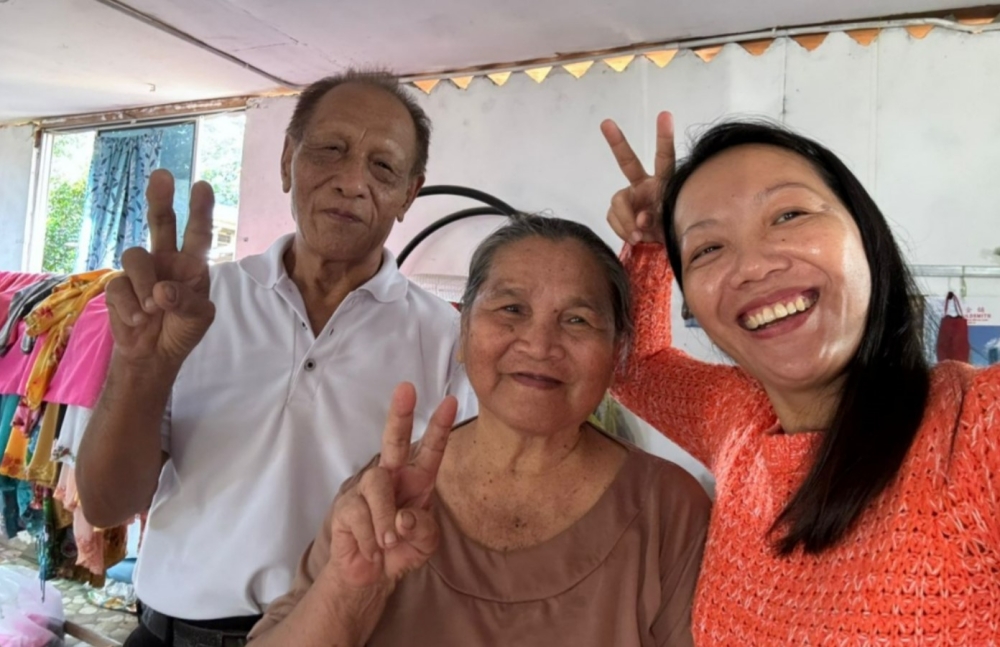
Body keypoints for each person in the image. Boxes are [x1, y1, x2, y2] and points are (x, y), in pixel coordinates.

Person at [75, 70, 476, 647]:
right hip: (172, 635)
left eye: (382, 167)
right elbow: (107, 503)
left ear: (410, 193)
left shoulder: (444, 340)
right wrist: (143, 366)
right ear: (288, 158)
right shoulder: (193, 306)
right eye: (330, 150)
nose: (351, 182)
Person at [600, 113, 1000, 644]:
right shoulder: (738, 424)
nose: (754, 266)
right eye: (708, 248)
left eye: (787, 214)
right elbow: (633, 365)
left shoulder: (973, 430)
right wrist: (650, 244)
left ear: (864, 232)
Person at [246, 215, 712, 647]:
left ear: (617, 352)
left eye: (577, 320)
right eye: (511, 308)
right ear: (464, 331)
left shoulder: (668, 510)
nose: (539, 344)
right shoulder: (388, 492)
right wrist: (349, 591)